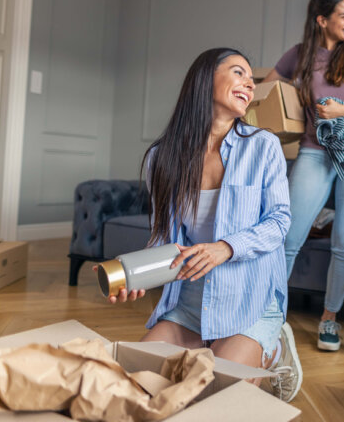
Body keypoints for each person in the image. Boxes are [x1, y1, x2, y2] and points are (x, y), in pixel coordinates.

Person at [99, 48, 302, 402]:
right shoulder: (161, 157)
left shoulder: (263, 146)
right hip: (191, 302)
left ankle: (273, 347)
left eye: (251, 79)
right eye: (238, 72)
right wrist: (139, 277)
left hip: (249, 298)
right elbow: (165, 237)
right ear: (205, 78)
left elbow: (280, 221)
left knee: (214, 394)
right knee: (132, 382)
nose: (249, 84)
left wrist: (226, 247)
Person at [263, 0, 344, 352]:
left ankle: (329, 319)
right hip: (315, 150)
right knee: (287, 238)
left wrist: (342, 111)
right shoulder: (300, 55)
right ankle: (269, 315)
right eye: (343, 15)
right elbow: (267, 89)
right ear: (322, 20)